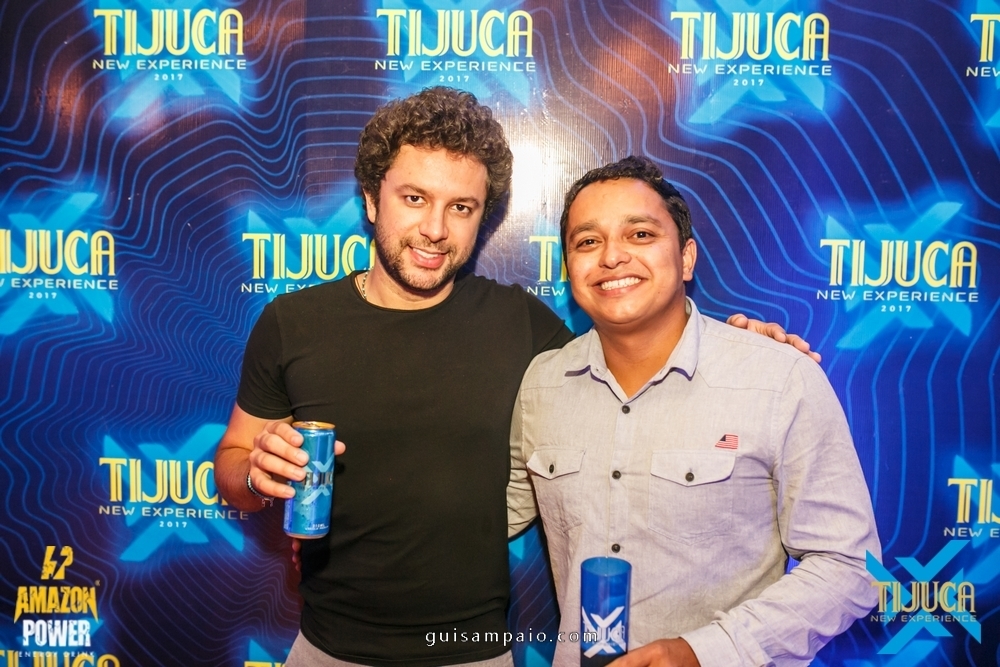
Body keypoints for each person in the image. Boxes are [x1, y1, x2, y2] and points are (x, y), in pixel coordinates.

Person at [214, 88, 818, 667]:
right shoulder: (292, 323)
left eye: (461, 207)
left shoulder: (522, 325)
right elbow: (233, 467)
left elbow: (634, 363)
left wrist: (740, 345)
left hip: (474, 651)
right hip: (325, 648)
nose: (435, 229)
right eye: (414, 198)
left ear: (483, 218)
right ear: (373, 200)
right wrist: (255, 474)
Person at [507, 156, 881, 667]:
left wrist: (704, 652)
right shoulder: (542, 384)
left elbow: (850, 567)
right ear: (569, 266)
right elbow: (485, 514)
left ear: (686, 258)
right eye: (588, 241)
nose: (612, 256)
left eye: (640, 234)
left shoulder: (779, 378)